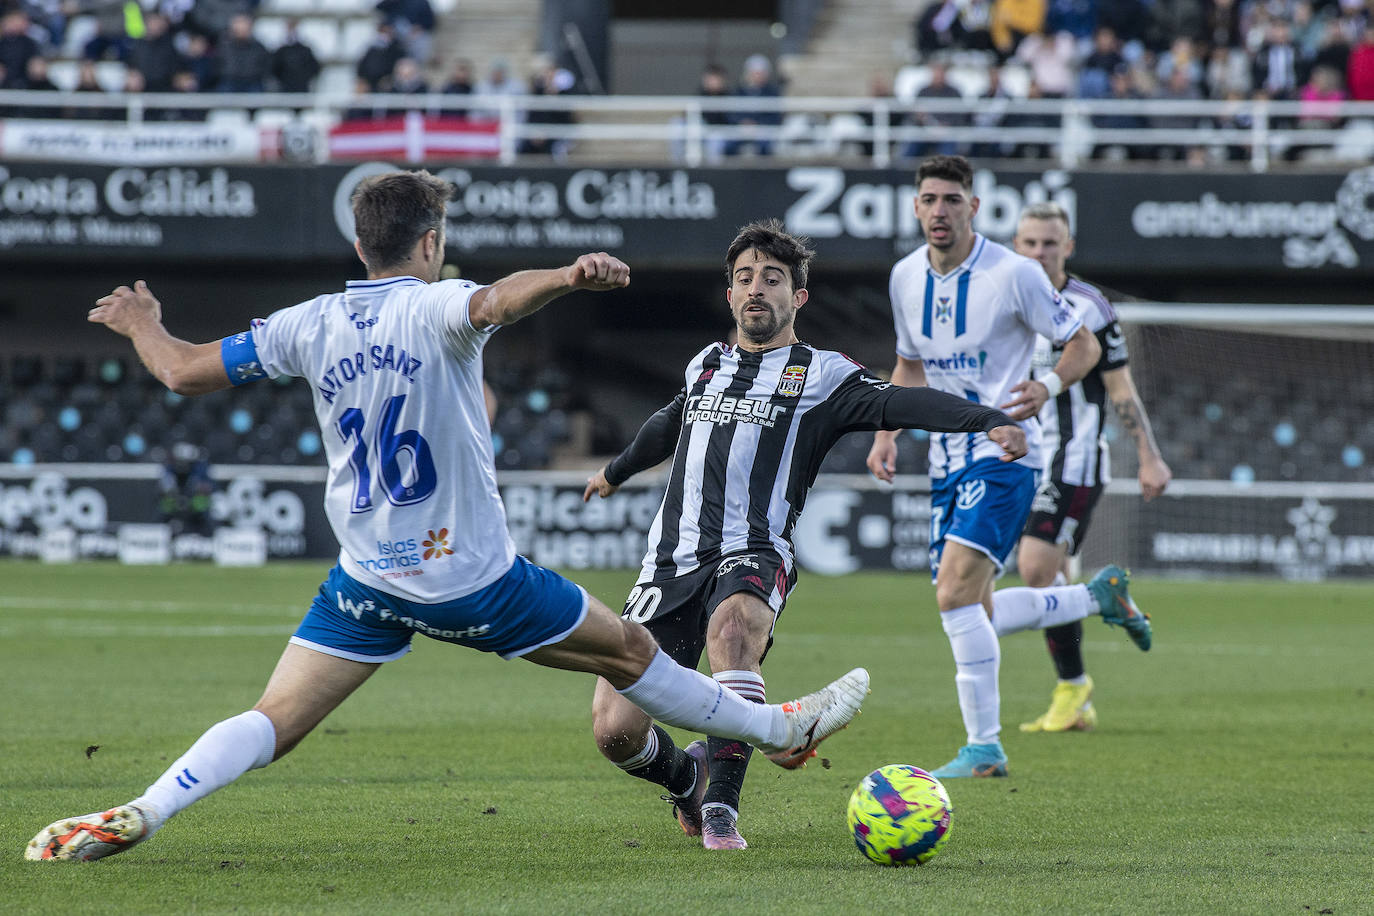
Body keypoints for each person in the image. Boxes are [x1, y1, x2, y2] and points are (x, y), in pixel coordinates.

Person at [25, 170, 870, 863]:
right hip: (469, 578)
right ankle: (776, 727)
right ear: (430, 245)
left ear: (359, 244)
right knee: (630, 651)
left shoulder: (305, 323)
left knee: (273, 719)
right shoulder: (433, 306)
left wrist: (143, 322)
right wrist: (569, 278)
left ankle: (145, 807)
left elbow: (182, 372)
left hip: (365, 579)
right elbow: (498, 301)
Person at [583, 218, 1029, 850]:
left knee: (732, 632)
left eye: (773, 279)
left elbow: (901, 402)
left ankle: (721, 810)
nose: (757, 289)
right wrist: (613, 471)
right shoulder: (705, 364)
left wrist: (987, 419)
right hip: (670, 561)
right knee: (614, 730)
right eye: (745, 279)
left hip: (754, 550)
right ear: (730, 295)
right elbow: (666, 424)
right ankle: (688, 777)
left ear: (799, 298)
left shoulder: (821, 375)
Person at [865, 155, 1150, 780]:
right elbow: (908, 366)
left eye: (952, 199)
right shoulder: (905, 277)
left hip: (1008, 451)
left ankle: (984, 745)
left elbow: (1086, 344)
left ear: (973, 206)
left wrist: (1046, 386)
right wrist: (887, 431)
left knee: (953, 595)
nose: (940, 211)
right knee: (979, 610)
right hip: (946, 456)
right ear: (915, 207)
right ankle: (1095, 596)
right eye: (930, 199)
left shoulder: (1014, 274)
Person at [998, 202, 1169, 734]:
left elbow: (1120, 388)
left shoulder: (1089, 307)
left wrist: (1148, 454)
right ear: (1015, 246)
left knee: (1033, 569)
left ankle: (1095, 622)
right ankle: (1076, 695)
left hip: (1073, 459)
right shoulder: (1002, 299)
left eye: (1050, 243)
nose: (1039, 252)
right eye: (1029, 243)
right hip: (1019, 456)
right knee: (1054, 576)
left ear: (1067, 247)